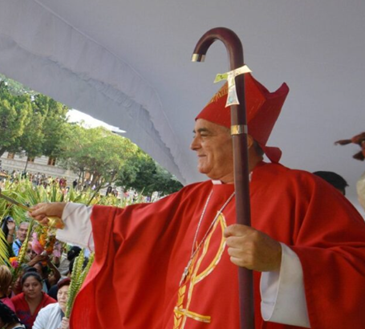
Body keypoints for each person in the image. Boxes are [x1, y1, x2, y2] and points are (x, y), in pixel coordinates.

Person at [29, 74, 365, 328]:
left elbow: (356, 269)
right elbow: (130, 227)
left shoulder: (301, 191)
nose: (193, 145)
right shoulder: (196, 195)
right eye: (194, 133)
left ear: (244, 139)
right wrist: (71, 215)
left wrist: (282, 260)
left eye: (204, 133)